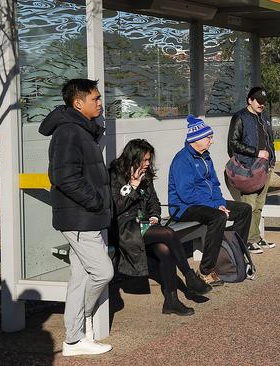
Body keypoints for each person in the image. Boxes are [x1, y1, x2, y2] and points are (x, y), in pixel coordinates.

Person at [38, 79, 114, 356]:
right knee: (103, 271)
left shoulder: (81, 129)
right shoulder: (70, 131)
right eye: (95, 99)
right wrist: (95, 201)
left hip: (84, 216)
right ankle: (82, 325)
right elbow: (64, 177)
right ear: (78, 103)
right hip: (80, 217)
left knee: (80, 278)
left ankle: (73, 339)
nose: (100, 103)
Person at [110, 139, 213, 316]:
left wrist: (155, 216)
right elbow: (115, 207)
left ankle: (171, 301)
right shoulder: (114, 174)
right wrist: (133, 186)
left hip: (144, 226)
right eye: (145, 160)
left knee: (165, 250)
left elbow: (154, 202)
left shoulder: (146, 175)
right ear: (133, 158)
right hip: (124, 228)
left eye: (149, 160)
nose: (148, 164)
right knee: (168, 233)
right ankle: (190, 277)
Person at [168, 115, 252, 285]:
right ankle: (205, 270)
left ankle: (233, 254)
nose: (211, 141)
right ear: (196, 139)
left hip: (207, 203)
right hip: (184, 207)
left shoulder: (206, 156)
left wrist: (219, 202)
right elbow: (187, 194)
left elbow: (214, 184)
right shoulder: (182, 160)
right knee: (218, 217)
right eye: (209, 137)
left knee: (244, 210)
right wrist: (216, 207)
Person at [227, 87, 276, 254]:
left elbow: (270, 140)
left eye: (263, 102)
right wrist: (255, 154)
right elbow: (233, 143)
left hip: (266, 167)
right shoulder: (239, 117)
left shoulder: (264, 117)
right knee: (250, 204)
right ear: (250, 100)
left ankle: (255, 237)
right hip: (249, 168)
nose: (261, 105)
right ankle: (247, 240)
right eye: (258, 101)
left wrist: (271, 159)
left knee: (259, 205)